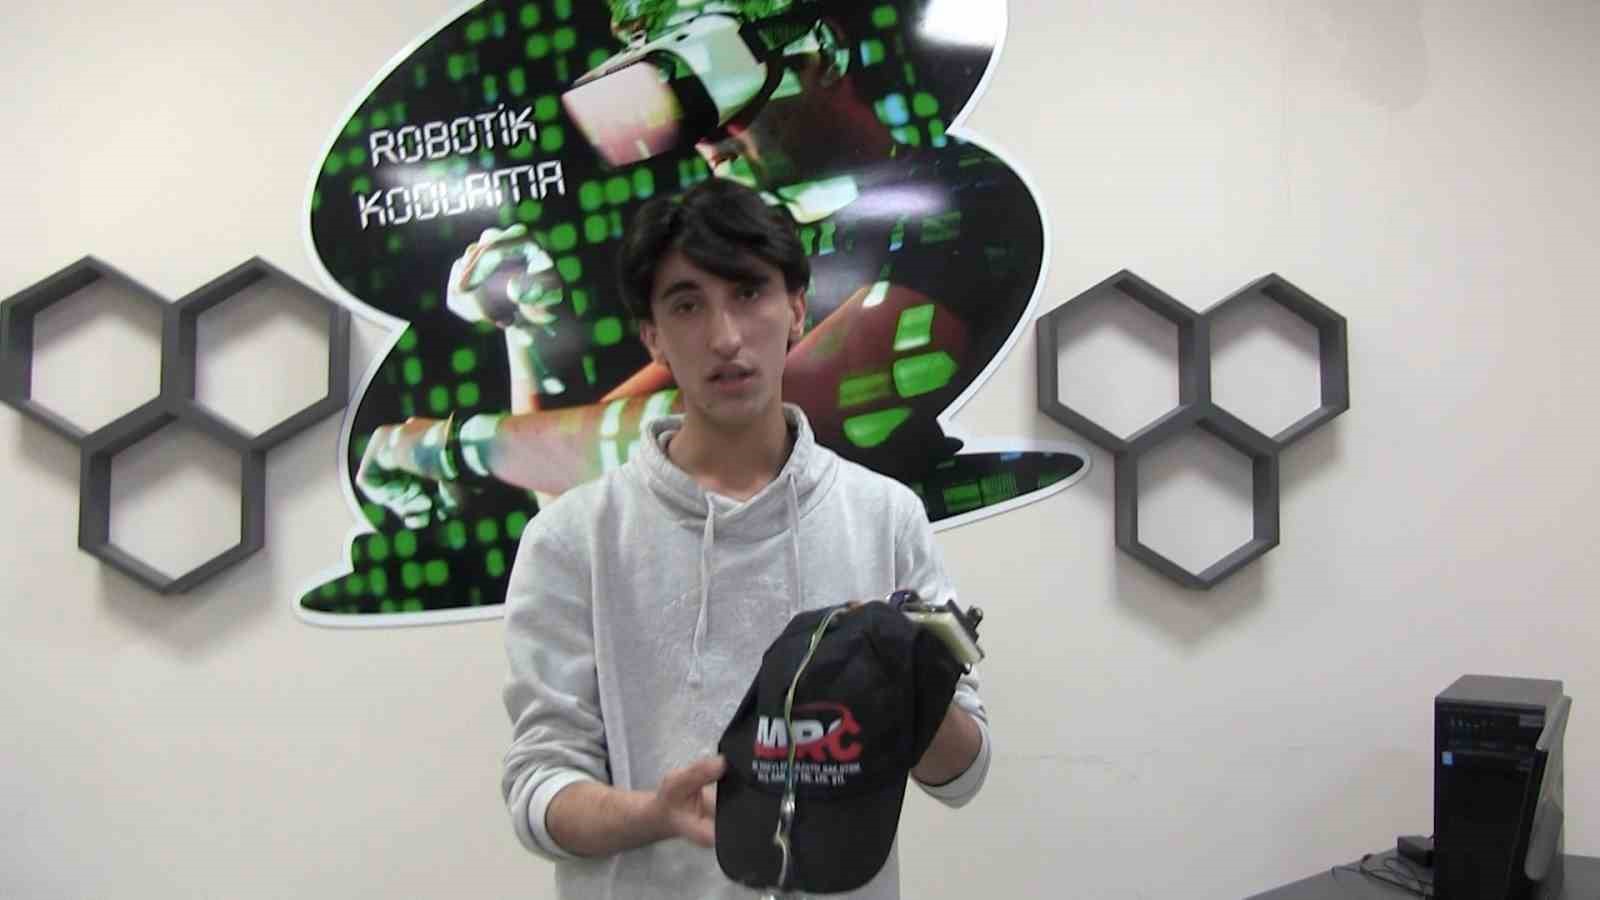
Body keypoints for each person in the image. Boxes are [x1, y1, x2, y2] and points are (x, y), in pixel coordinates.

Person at [353, 0, 1041, 527]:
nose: (703, 139)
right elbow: (573, 488)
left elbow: (752, 436)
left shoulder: (968, 203)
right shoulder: (761, 257)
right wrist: (527, 330)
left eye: (715, 88)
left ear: (821, 55)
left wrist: (454, 447)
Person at [499, 176, 991, 898]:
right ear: (652, 335)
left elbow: (963, 776)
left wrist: (914, 683)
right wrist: (654, 815)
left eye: (749, 292)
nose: (725, 337)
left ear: (796, 308)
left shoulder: (884, 516)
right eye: (687, 304)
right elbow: (538, 790)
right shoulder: (572, 538)